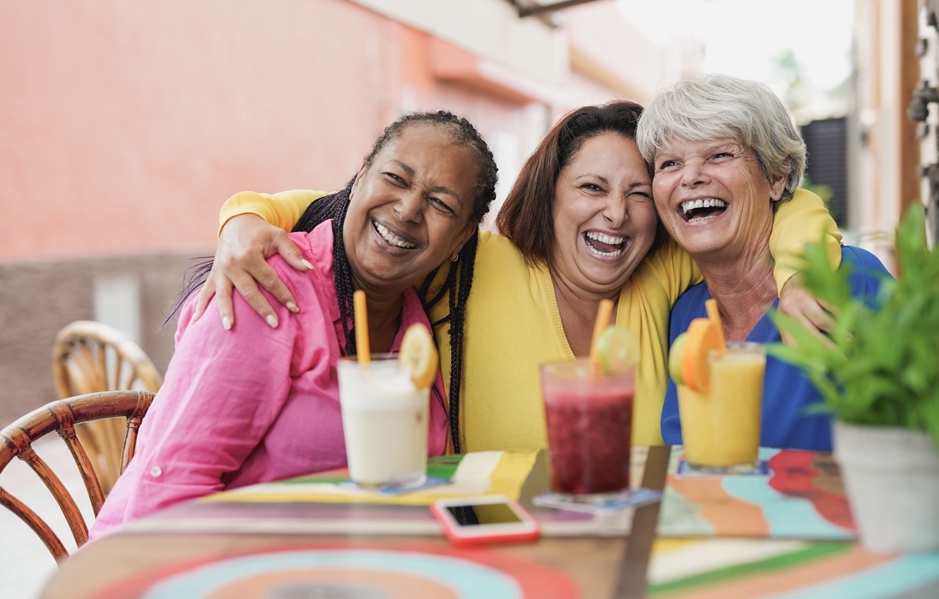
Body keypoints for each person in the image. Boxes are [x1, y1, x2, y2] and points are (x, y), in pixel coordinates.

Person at [200, 101, 841, 451]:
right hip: (489, 551)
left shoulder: (662, 269)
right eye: (590, 187)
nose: (615, 215)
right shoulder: (473, 261)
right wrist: (243, 217)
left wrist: (796, 277)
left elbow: (790, 208)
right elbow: (368, 208)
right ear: (549, 195)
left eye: (639, 194)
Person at [89, 111, 499, 539]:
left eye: (440, 203)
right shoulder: (265, 288)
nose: (409, 208)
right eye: (396, 178)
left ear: (461, 239)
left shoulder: (418, 333)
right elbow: (169, 495)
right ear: (359, 178)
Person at [636, 74, 891, 451]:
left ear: (777, 176)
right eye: (669, 163)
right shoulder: (682, 312)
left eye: (719, 154)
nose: (690, 177)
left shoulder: (853, 284)